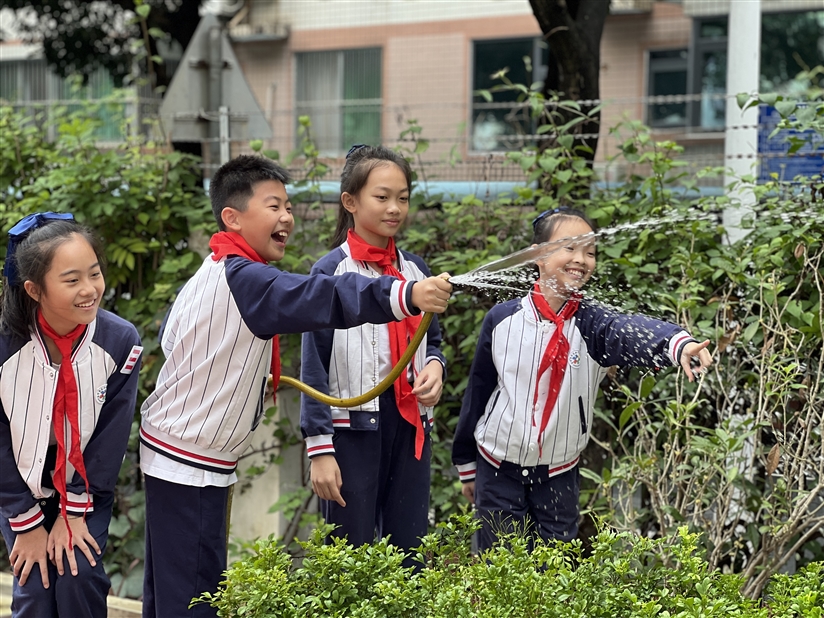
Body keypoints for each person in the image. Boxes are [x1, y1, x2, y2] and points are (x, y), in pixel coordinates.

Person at [139, 154, 451, 618]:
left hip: (186, 454)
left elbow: (172, 337)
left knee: (178, 589)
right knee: (194, 592)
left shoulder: (220, 268)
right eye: (273, 206)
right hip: (190, 459)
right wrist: (403, 295)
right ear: (233, 217)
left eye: (287, 206)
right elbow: (318, 296)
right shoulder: (243, 276)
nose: (286, 216)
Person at [452, 207, 712, 552]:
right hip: (498, 468)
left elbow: (630, 331)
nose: (582, 259)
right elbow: (480, 391)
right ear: (538, 255)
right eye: (570, 248)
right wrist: (467, 463)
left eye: (590, 252)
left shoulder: (593, 324)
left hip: (559, 473)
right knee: (497, 567)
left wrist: (678, 344)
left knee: (556, 567)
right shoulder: (502, 320)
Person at [300, 145, 446, 567]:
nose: (395, 208)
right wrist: (319, 449)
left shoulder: (417, 270)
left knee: (412, 554)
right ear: (350, 201)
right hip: (351, 430)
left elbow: (431, 342)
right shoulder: (328, 273)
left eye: (402, 197)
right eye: (382, 197)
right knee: (349, 560)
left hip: (410, 425)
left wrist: (435, 368)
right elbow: (313, 367)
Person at [0, 213, 143, 618]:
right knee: (35, 585)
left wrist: (73, 512)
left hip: (85, 482)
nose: (89, 290)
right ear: (34, 289)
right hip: (15, 482)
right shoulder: (6, 344)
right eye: (71, 280)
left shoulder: (119, 340)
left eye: (94, 274)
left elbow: (109, 438)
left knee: (79, 574)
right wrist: (25, 523)